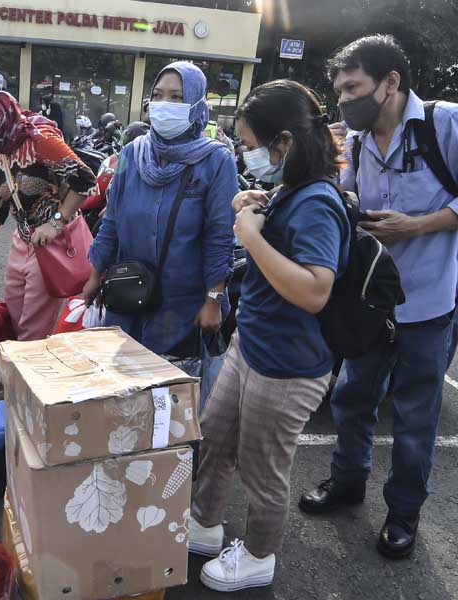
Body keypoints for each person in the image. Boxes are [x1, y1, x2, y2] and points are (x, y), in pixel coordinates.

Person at [299, 35, 458, 559]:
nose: (344, 101)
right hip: (370, 304)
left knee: (414, 417)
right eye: (339, 91)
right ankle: (347, 484)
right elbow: (344, 194)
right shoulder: (360, 141)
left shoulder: (445, 125)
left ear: (391, 82)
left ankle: (403, 514)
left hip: (428, 306)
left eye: (353, 88)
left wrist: (418, 225)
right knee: (351, 398)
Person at [188, 79, 350, 592]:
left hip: (287, 365)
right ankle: (203, 522)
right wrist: (248, 205)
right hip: (252, 347)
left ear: (284, 143)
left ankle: (259, 556)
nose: (246, 154)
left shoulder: (317, 202)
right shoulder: (292, 189)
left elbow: (314, 290)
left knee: (264, 467)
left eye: (252, 145)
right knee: (215, 436)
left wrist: (252, 237)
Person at [82, 62, 237, 356]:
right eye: (158, 95)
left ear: (196, 104)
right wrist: (94, 275)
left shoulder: (216, 161)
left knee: (169, 391)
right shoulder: (131, 153)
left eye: (177, 97)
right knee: (123, 383)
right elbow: (111, 221)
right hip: (126, 294)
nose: (164, 104)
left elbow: (219, 236)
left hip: (181, 305)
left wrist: (214, 299)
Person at [0, 91, 97, 341]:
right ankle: (14, 374)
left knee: (33, 328)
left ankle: (22, 377)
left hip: (52, 241)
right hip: (22, 239)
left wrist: (56, 222)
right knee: (13, 315)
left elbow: (87, 181)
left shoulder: (40, 141)